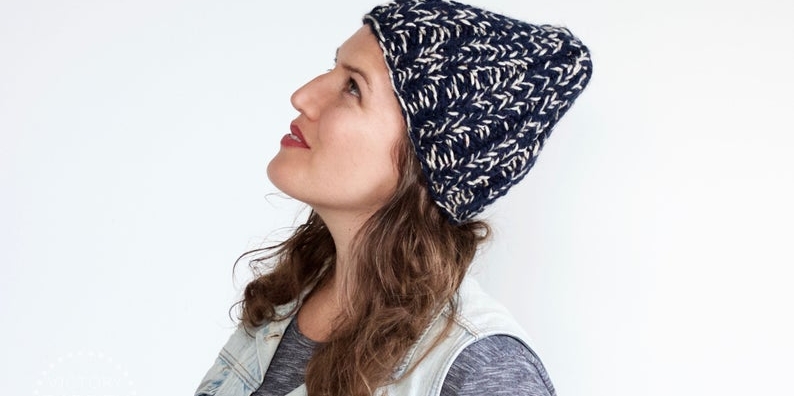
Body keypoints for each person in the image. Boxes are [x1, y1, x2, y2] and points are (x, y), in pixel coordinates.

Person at [195, 0, 591, 395]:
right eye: (332, 69)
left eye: (353, 87)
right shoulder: (287, 299)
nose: (303, 96)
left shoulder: (480, 372)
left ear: (423, 160)